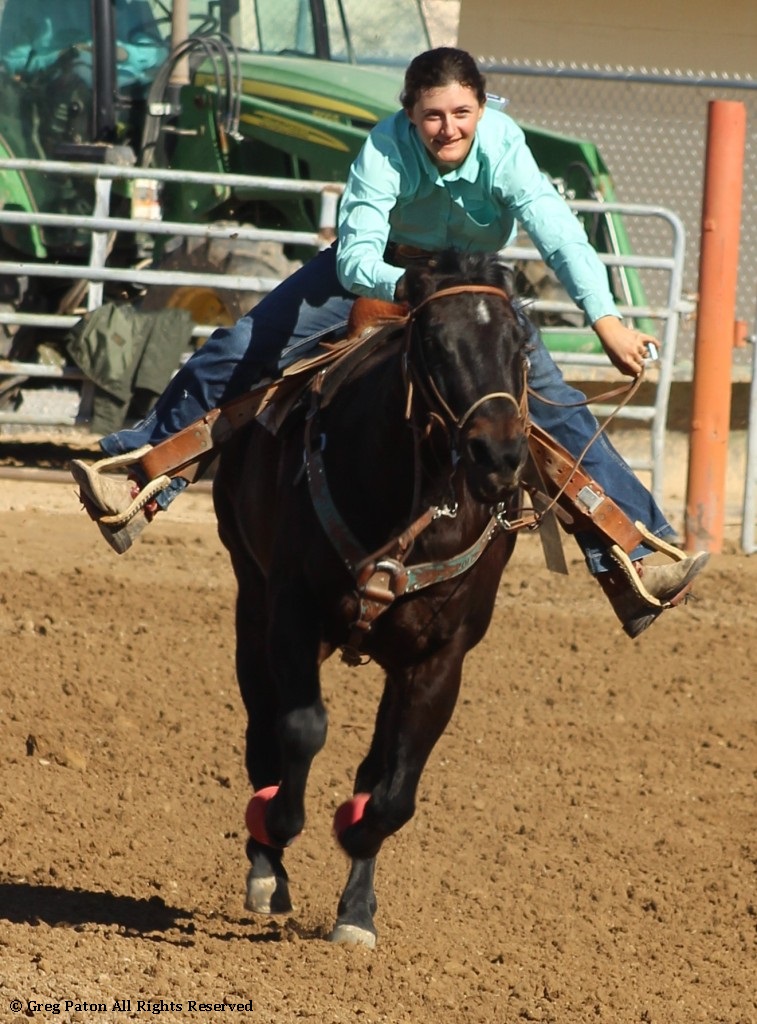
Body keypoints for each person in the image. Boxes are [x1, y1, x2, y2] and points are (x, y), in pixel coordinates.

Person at [71, 46, 708, 639]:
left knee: (554, 406)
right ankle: (134, 477)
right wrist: (414, 288)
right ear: (411, 114)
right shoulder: (383, 148)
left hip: (471, 284)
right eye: (433, 115)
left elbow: (560, 235)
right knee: (241, 347)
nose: (448, 128)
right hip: (383, 274)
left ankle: (638, 556)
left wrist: (606, 320)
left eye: (462, 113)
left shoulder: (505, 146)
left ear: (481, 110)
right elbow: (354, 259)